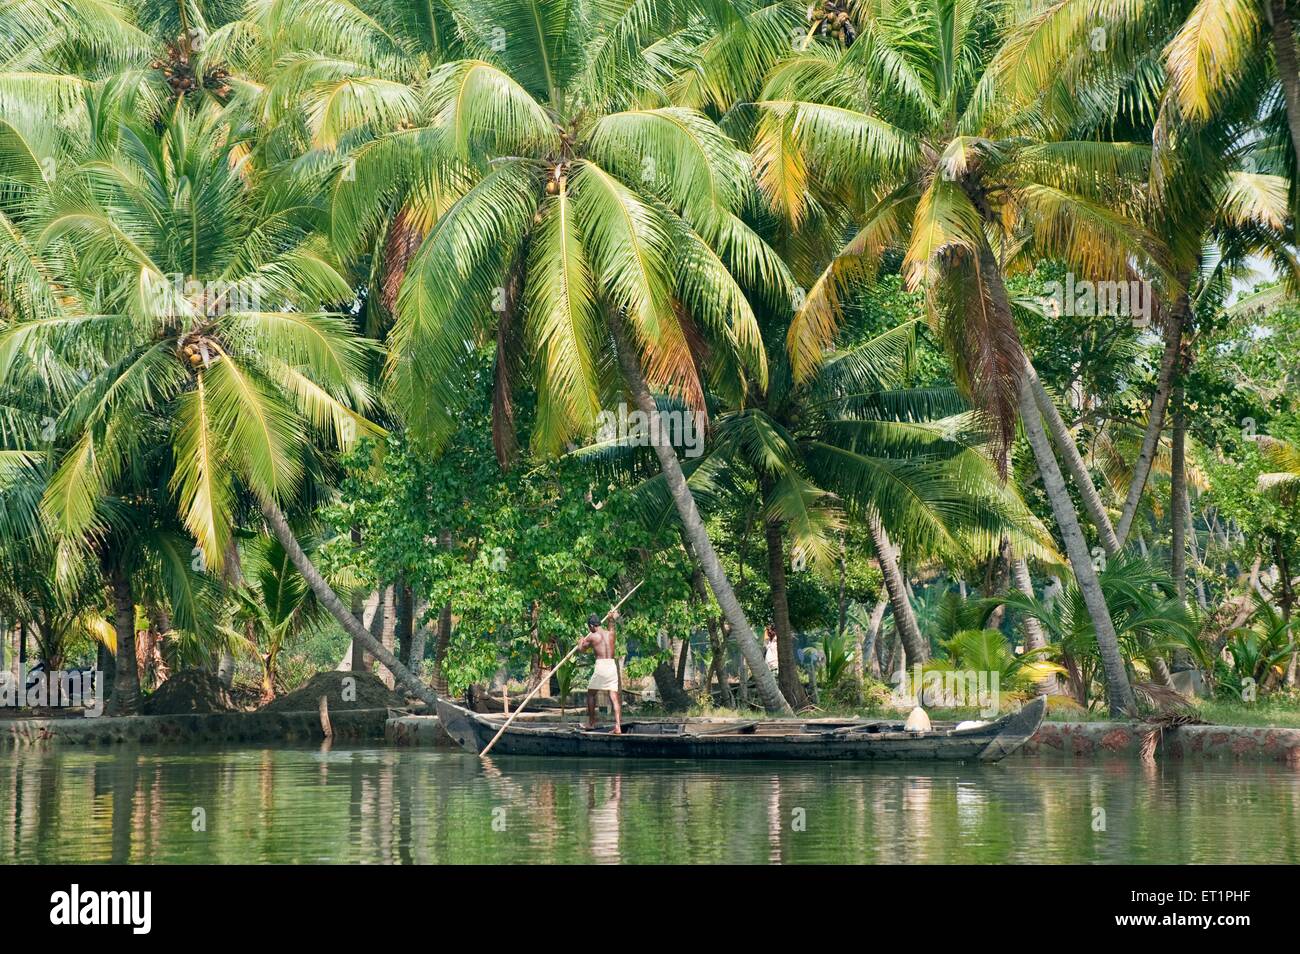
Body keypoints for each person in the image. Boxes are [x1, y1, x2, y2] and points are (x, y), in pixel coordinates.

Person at [577, 609, 621, 734]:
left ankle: (591, 723)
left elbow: (581, 650)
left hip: (601, 666)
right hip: (612, 665)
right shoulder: (611, 633)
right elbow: (611, 623)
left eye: (589, 627)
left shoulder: (592, 637)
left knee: (591, 694)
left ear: (591, 626)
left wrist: (580, 641)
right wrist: (610, 617)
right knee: (614, 696)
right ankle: (618, 726)